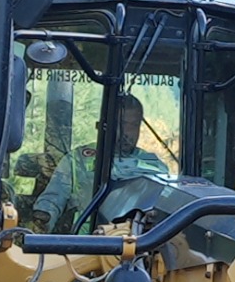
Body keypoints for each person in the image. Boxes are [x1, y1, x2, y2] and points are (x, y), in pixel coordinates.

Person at [32, 95, 170, 228]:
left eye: (133, 125)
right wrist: (43, 219)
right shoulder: (77, 160)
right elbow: (53, 198)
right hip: (87, 240)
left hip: (140, 241)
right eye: (121, 124)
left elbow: (167, 208)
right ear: (105, 125)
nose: (127, 132)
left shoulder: (155, 167)